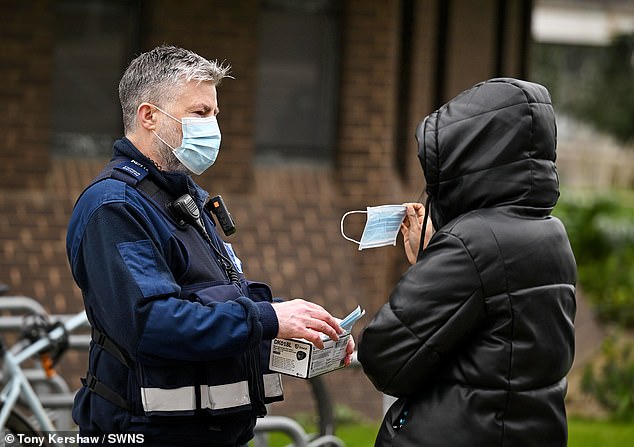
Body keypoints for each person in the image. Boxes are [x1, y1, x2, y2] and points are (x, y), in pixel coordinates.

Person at [66, 45, 353, 447]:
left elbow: (216, 298)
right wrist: (267, 319)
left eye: (215, 113)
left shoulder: (184, 196)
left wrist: (301, 324)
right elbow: (152, 323)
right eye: (200, 113)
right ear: (148, 116)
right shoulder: (115, 207)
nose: (213, 126)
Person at [357, 78, 577, 447]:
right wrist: (432, 258)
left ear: (469, 154)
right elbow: (492, 340)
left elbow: (386, 356)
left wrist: (440, 256)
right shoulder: (550, 234)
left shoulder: (472, 242)